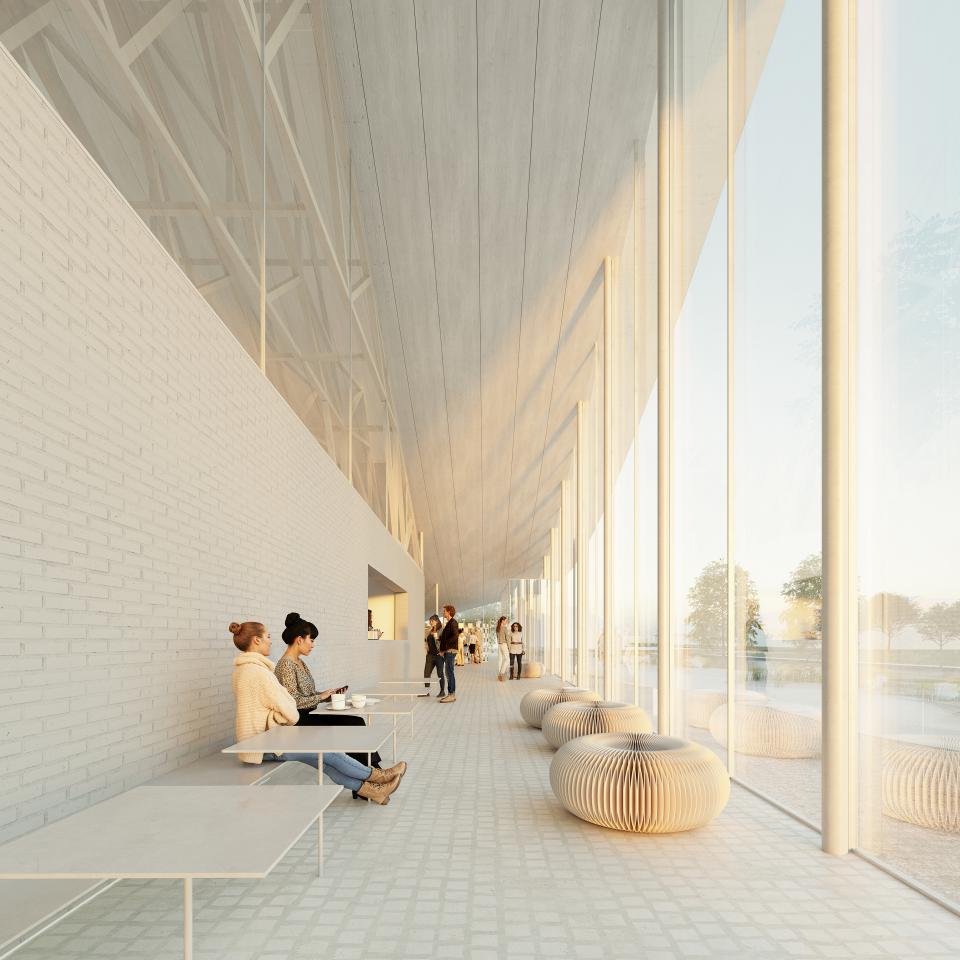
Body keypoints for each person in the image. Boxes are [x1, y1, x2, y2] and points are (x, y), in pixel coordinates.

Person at [229, 620, 404, 804]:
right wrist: (280, 713)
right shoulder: (260, 673)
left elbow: (277, 705)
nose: (271, 641)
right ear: (256, 640)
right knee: (329, 753)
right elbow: (292, 712)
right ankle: (380, 776)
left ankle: (372, 789)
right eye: (268, 637)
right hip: (267, 745)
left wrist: (312, 699)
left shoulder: (243, 670)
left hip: (262, 742)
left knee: (327, 762)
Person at [275, 612, 385, 774]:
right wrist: (320, 697)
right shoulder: (286, 665)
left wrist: (328, 696)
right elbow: (293, 702)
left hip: (308, 714)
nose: (312, 645)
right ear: (299, 640)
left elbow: (307, 694)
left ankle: (370, 771)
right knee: (351, 726)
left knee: (356, 722)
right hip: (297, 720)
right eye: (311, 640)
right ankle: (372, 773)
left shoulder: (300, 663)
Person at [437, 604, 460, 703]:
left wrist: (445, 647)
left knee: (449, 672)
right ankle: (450, 694)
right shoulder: (449, 623)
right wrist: (440, 639)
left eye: (445, 611)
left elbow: (455, 636)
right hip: (448, 650)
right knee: (448, 673)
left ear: (449, 612)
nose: (443, 612)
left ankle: (452, 695)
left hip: (450, 650)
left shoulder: (453, 622)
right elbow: (447, 636)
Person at [421, 614, 445, 697]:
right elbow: (426, 641)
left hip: (439, 655)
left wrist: (442, 651)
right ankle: (426, 692)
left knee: (440, 673)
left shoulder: (441, 630)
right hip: (430, 655)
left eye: (432, 621)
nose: (430, 622)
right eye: (430, 621)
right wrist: (426, 649)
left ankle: (442, 691)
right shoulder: (429, 631)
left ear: (437, 621)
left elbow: (444, 642)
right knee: (426, 673)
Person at [495, 616, 509, 682]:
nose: (506, 622)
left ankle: (499, 675)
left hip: (499, 645)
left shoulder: (497, 628)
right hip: (504, 644)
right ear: (502, 621)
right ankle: (502, 672)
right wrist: (509, 647)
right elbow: (507, 638)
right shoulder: (504, 628)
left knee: (500, 659)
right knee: (507, 659)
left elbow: (497, 637)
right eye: (506, 620)